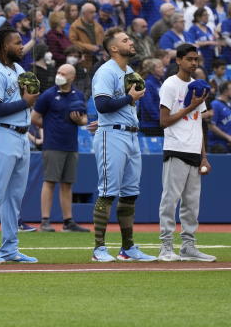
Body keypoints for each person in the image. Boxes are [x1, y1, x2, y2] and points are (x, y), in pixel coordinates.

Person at [90, 28, 156, 263]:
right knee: (107, 192)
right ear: (114, 48)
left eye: (130, 38)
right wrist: (130, 98)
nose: (131, 42)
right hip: (112, 135)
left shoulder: (129, 71)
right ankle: (99, 248)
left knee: (130, 194)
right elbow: (102, 104)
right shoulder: (106, 71)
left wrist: (129, 100)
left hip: (130, 134)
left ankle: (128, 247)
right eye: (125, 40)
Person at [0, 28, 39, 264]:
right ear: (3, 46)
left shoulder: (18, 69)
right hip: (0, 134)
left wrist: (27, 99)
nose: (22, 46)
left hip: (21, 135)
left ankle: (10, 248)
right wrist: (25, 102)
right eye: (17, 43)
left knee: (14, 197)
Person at [156, 44, 215, 262]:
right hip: (175, 149)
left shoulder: (197, 86)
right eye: (189, 59)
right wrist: (191, 106)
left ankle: (188, 246)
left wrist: (204, 156)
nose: (194, 63)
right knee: (170, 201)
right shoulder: (170, 85)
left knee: (192, 204)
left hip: (193, 150)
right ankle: (166, 246)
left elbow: (199, 123)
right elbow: (164, 121)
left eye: (196, 60)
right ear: (178, 60)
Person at [31, 63, 90, 232]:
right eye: (58, 72)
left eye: (63, 73)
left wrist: (80, 121)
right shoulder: (48, 95)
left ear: (72, 77)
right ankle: (45, 221)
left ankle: (68, 221)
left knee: (67, 184)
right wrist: (50, 126)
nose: (59, 75)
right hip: (53, 144)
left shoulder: (78, 95)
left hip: (71, 145)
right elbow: (34, 117)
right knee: (49, 181)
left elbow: (84, 119)